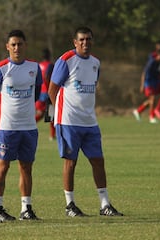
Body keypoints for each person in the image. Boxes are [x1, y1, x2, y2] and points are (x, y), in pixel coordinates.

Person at [48, 26, 123, 217]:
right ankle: (70, 205)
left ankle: (105, 204)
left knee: (98, 161)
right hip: (68, 122)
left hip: (90, 122)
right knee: (70, 163)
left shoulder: (95, 63)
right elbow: (52, 90)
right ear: (75, 42)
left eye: (88, 39)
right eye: (81, 40)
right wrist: (60, 114)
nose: (85, 43)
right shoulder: (66, 60)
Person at [0, 29, 42, 221]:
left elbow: (36, 93)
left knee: (26, 168)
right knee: (3, 166)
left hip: (29, 127)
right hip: (7, 127)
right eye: (13, 44)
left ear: (25, 45)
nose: (17, 47)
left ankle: (26, 208)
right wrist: (4, 112)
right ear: (7, 47)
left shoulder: (34, 68)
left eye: (20, 44)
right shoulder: (0, 68)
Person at [133, 47, 160, 123]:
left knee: (151, 100)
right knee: (153, 98)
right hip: (148, 82)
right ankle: (151, 117)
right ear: (159, 55)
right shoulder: (151, 62)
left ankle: (138, 111)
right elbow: (144, 73)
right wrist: (142, 85)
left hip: (154, 82)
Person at [35, 48, 56, 141]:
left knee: (40, 113)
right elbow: (49, 77)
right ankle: (52, 135)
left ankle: (26, 126)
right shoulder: (50, 65)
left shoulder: (38, 65)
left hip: (40, 92)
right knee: (51, 115)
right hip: (48, 92)